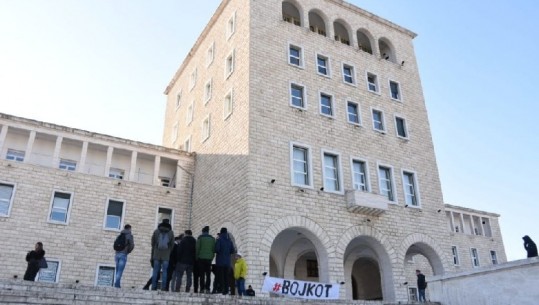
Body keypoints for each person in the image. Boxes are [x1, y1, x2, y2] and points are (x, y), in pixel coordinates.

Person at [151, 219, 174, 291]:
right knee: (165, 271)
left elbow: (152, 242)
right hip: (166, 255)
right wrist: (169, 251)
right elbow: (172, 244)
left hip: (157, 254)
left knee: (155, 271)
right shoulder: (171, 232)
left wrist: (155, 249)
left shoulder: (156, 231)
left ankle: (153, 287)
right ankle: (163, 287)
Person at [215, 227, 235, 295]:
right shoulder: (229, 241)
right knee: (226, 276)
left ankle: (221, 289)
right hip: (227, 262)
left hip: (220, 261)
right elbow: (233, 251)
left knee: (221, 276)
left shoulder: (219, 239)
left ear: (221, 232)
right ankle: (226, 290)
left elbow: (217, 249)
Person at [196, 226, 215, 294]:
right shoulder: (212, 239)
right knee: (208, 274)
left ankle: (202, 288)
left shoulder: (200, 238)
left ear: (203, 232)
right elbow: (213, 250)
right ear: (208, 231)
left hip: (201, 258)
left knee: (202, 274)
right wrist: (211, 257)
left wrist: (197, 258)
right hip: (209, 259)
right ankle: (207, 288)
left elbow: (197, 249)